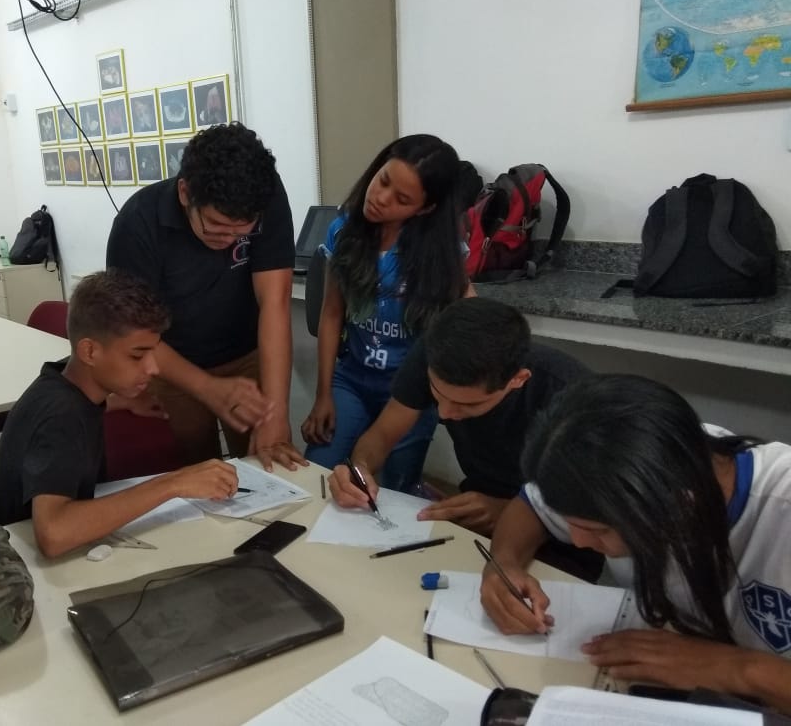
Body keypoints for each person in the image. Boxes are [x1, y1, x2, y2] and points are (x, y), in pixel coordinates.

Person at [480, 374, 791, 714]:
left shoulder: (779, 510)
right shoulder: (630, 463)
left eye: (596, 529)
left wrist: (735, 668)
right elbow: (529, 507)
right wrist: (504, 564)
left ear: (681, 504)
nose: (579, 542)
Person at [0, 270, 241, 558]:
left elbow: (80, 404)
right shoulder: (62, 416)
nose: (153, 368)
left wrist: (121, 402)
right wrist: (174, 483)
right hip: (28, 569)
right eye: (137, 355)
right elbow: (53, 534)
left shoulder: (66, 382)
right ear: (90, 352)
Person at [106, 122, 304, 472]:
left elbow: (274, 302)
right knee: (196, 471)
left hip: (247, 354)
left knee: (270, 462)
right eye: (215, 226)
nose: (228, 240)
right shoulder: (137, 225)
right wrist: (208, 388)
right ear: (185, 193)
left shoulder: (265, 195)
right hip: (171, 361)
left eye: (240, 231)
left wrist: (276, 410)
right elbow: (137, 334)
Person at [327, 298, 590, 538]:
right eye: (437, 393)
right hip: (476, 511)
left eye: (467, 405)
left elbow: (595, 510)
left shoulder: (572, 396)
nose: (444, 413)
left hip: (562, 531)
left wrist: (513, 511)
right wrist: (359, 469)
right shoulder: (435, 356)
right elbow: (382, 435)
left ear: (517, 380)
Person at [301, 134, 472, 492]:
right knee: (314, 475)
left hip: (410, 388)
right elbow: (331, 315)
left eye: (401, 199)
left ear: (425, 209)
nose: (380, 199)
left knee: (397, 489)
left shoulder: (442, 253)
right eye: (383, 181)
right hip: (351, 379)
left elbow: (468, 322)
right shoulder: (343, 231)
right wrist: (323, 395)